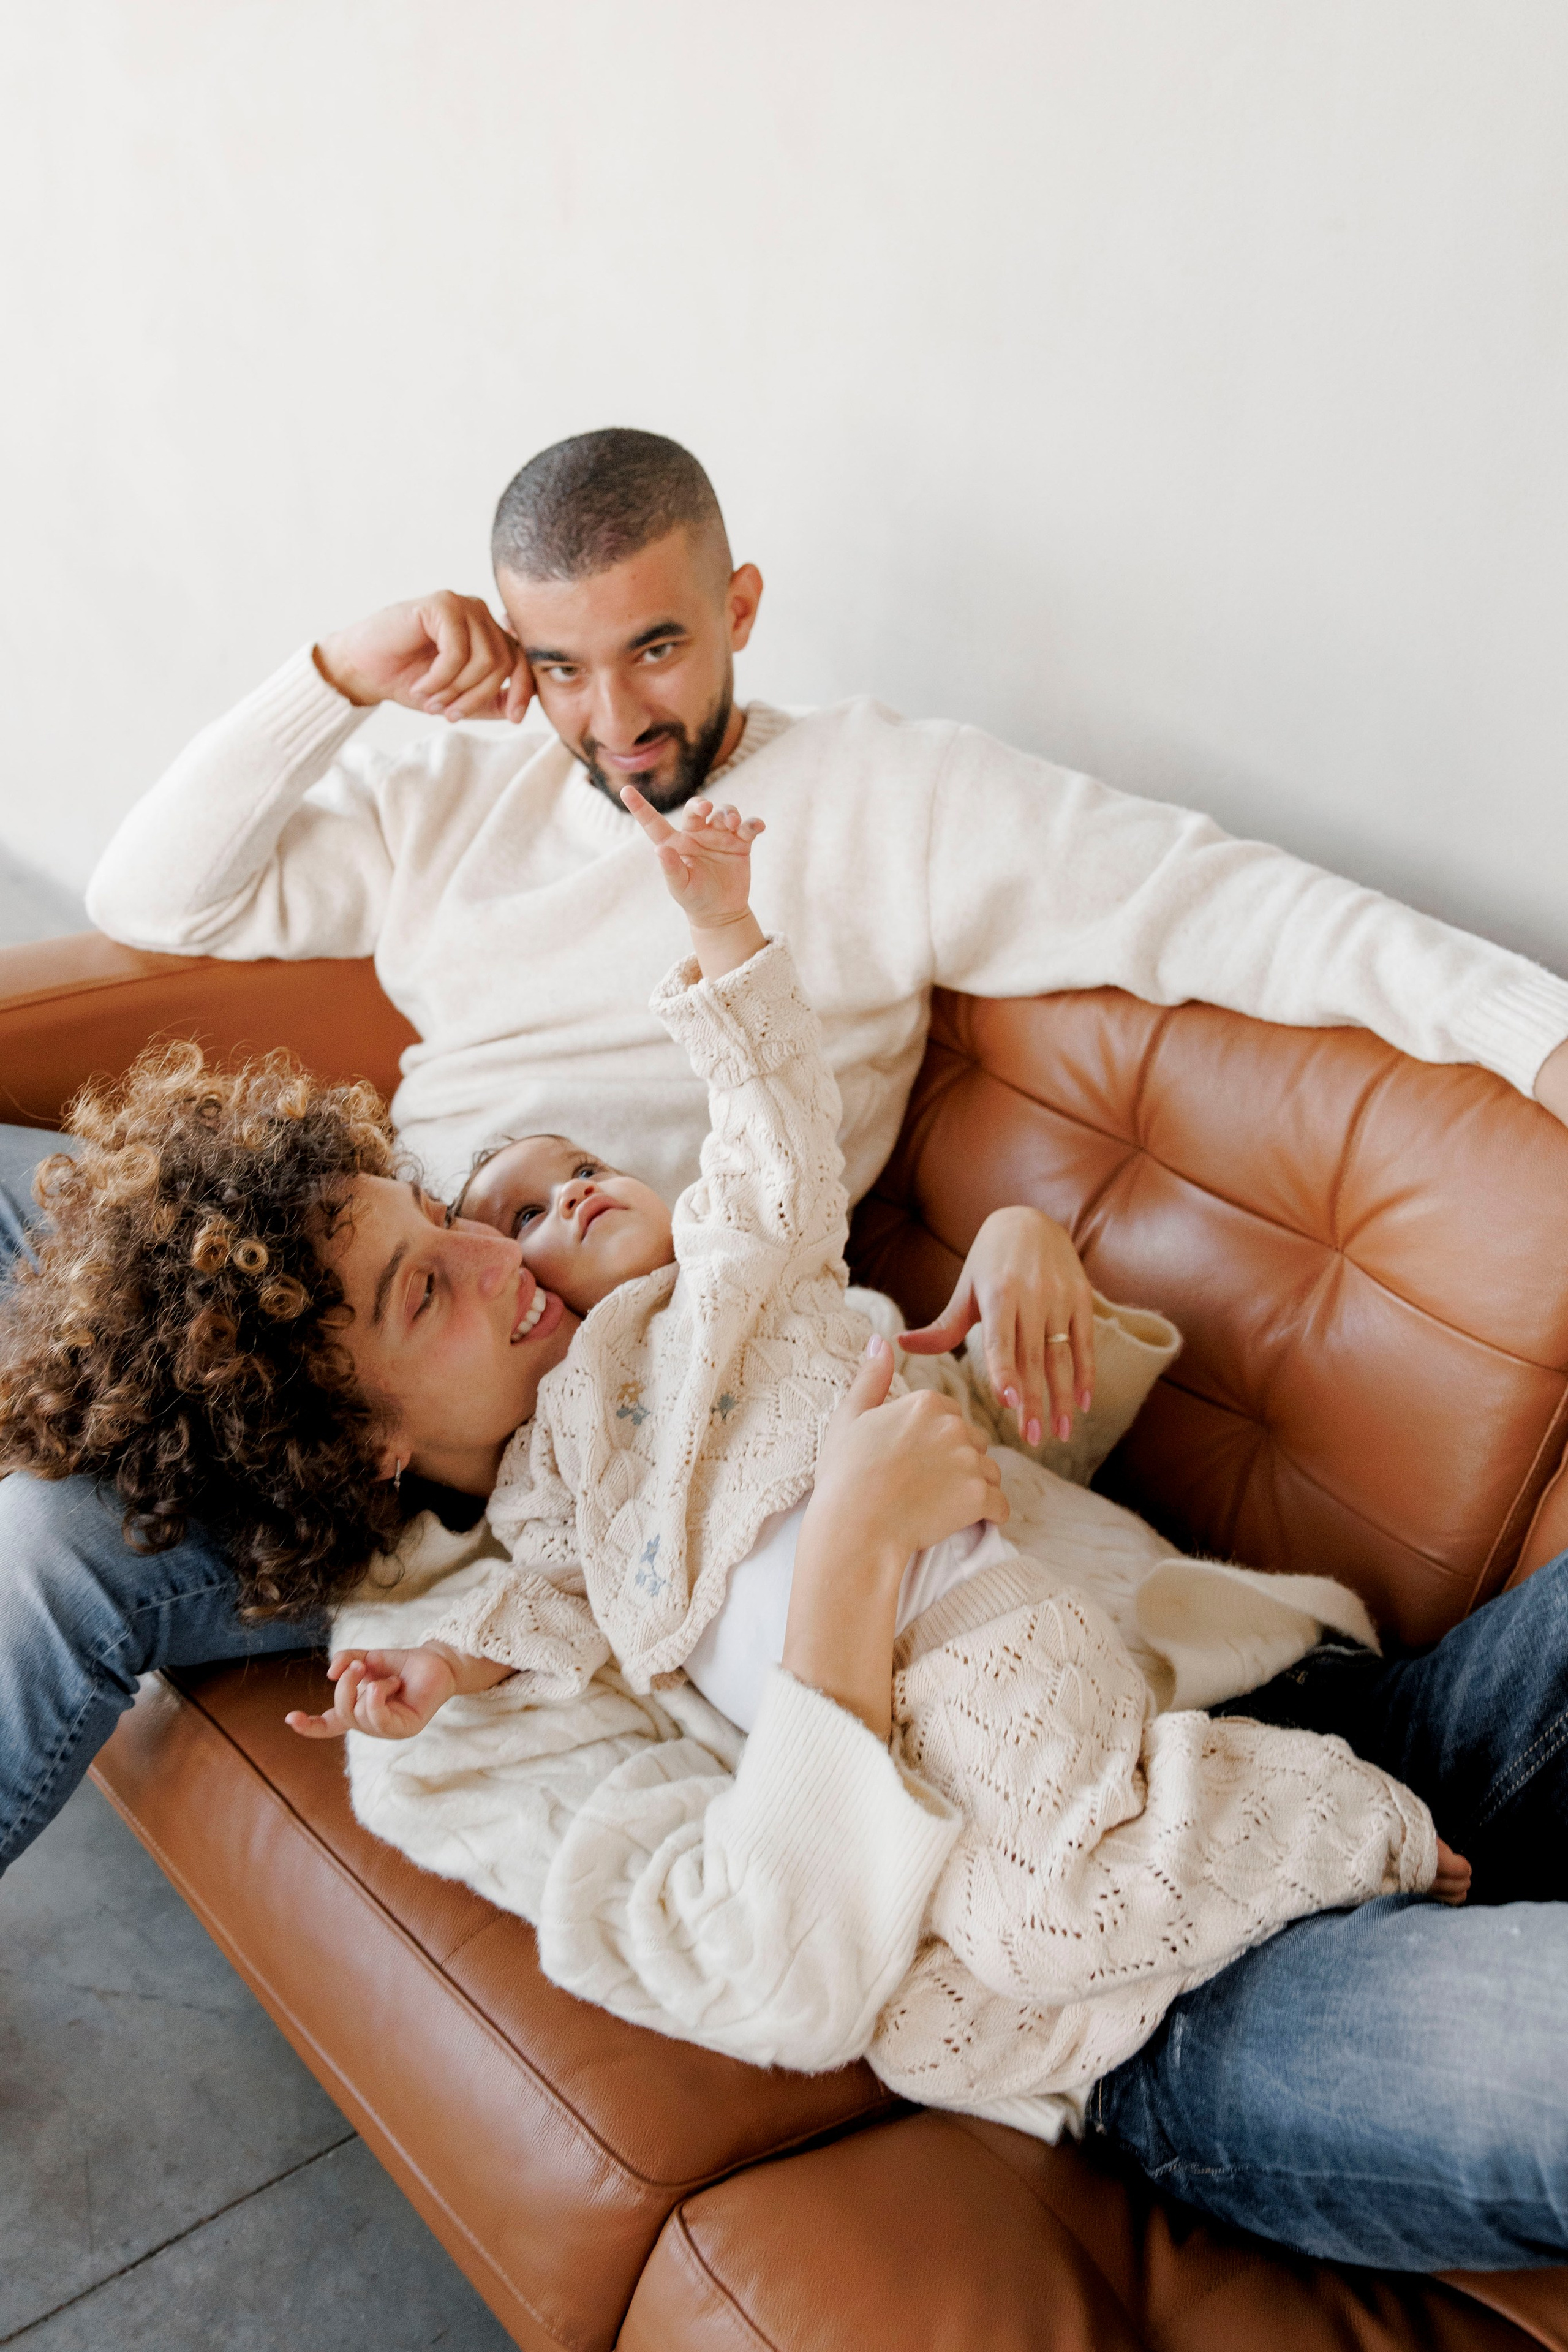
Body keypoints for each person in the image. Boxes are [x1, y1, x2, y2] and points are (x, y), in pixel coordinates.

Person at [7, 424, 1568, 1875]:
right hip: (353, 1305)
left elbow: (1220, 902)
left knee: (66, 1541)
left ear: (739, 606)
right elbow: (160, 896)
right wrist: (337, 675)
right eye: (559, 668)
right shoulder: (459, 796)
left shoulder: (890, 799)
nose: (615, 722)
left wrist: (1539, 1040)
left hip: (528, 1434)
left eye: (656, 648)